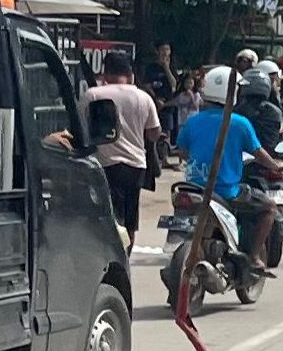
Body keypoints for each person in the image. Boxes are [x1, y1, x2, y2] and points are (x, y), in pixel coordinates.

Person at [174, 64, 270, 266]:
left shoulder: (193, 121)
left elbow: (182, 151)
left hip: (193, 187)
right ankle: (253, 257)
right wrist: (276, 166)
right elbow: (259, 154)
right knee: (269, 207)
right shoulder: (240, 123)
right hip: (227, 191)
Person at [86, 49, 161, 237]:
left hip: (103, 165)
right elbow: (154, 134)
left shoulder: (93, 95)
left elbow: (80, 127)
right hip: (135, 167)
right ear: (130, 74)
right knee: (130, 221)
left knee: (105, 217)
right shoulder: (144, 98)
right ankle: (126, 259)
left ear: (105, 73)